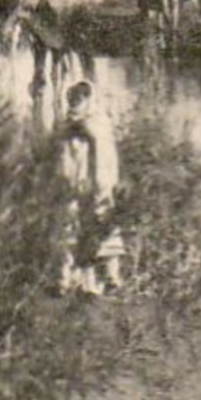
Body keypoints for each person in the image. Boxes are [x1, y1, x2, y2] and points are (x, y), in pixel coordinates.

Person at [57, 80, 124, 295]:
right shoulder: (67, 126)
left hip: (98, 185)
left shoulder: (98, 122)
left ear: (89, 100)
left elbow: (103, 149)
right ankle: (75, 281)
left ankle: (112, 278)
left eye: (80, 99)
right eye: (73, 99)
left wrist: (101, 184)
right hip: (74, 186)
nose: (75, 103)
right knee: (73, 230)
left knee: (102, 226)